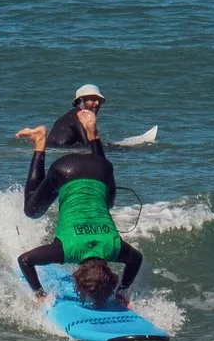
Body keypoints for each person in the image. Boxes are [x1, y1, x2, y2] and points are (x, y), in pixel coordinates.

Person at [14, 121, 143, 305]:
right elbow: (24, 260)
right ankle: (39, 140)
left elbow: (136, 259)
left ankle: (93, 135)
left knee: (108, 203)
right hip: (64, 170)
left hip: (102, 167)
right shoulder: (65, 251)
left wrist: (122, 291)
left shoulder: (114, 248)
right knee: (31, 211)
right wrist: (40, 295)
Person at [27, 83, 109, 152]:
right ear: (81, 100)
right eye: (93, 99)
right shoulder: (79, 118)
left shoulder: (67, 117)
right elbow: (90, 146)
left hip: (51, 151)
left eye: (99, 100)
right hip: (62, 152)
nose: (97, 103)